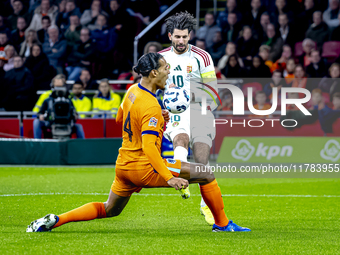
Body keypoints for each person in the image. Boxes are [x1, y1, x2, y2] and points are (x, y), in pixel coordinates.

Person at [26, 52, 251, 233]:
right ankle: (222, 224)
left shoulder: (132, 91)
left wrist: (153, 120)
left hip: (124, 165)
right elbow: (148, 148)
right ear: (153, 73)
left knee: (109, 209)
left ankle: (56, 220)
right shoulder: (151, 104)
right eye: (165, 68)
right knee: (206, 173)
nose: (168, 72)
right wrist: (169, 178)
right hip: (144, 165)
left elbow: (119, 118)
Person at [160, 12, 219, 225]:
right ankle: (182, 179)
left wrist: (190, 94)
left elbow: (214, 92)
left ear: (190, 35)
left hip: (200, 108)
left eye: (185, 37)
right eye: (177, 37)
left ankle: (206, 206)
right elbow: (150, 86)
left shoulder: (202, 57)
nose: (181, 41)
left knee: (202, 160)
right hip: (175, 112)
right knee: (181, 138)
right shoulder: (160, 58)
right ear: (170, 36)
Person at [32, 74, 85, 139]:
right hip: (51, 123)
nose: (58, 89)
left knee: (78, 126)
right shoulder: (48, 100)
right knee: (36, 122)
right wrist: (40, 116)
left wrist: (75, 116)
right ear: (52, 86)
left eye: (60, 87)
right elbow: (39, 113)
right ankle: (37, 144)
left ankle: (82, 146)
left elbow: (74, 112)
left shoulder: (68, 100)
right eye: (56, 87)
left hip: (66, 123)